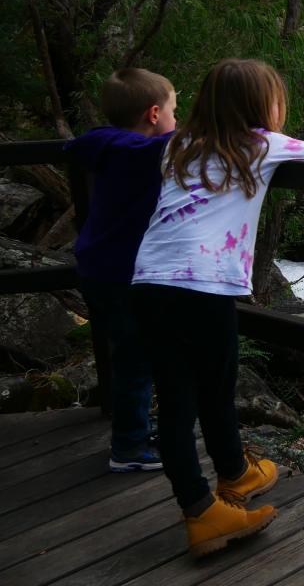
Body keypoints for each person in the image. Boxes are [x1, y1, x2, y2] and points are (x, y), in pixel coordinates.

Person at [129, 58, 304, 558]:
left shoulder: (177, 145)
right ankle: (218, 493)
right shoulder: (262, 145)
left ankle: (216, 489)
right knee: (214, 385)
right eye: (275, 100)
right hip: (202, 286)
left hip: (148, 279)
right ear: (258, 108)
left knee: (178, 397)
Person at [66, 68, 177, 472]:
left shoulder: (104, 145)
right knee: (136, 359)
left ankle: (133, 429)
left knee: (129, 353)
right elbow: (176, 144)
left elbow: (82, 143)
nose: (175, 120)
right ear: (153, 114)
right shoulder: (142, 154)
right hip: (122, 273)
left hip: (96, 267)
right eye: (173, 111)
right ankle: (128, 448)